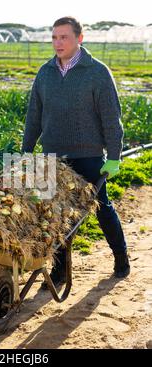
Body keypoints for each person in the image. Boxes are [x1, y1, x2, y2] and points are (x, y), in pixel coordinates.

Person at [22, 16, 130, 288]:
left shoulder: (96, 71)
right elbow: (34, 115)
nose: (58, 42)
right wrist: (26, 151)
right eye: (54, 37)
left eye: (64, 37)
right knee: (55, 215)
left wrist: (114, 156)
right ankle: (59, 272)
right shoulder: (45, 72)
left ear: (79, 38)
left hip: (89, 155)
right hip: (53, 157)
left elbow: (110, 117)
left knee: (102, 208)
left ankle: (121, 257)